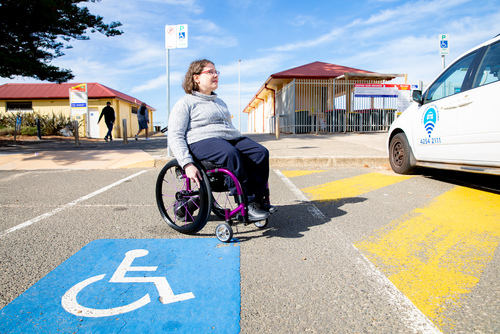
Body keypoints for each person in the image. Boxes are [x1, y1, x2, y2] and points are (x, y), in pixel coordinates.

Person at [168, 59, 277, 221]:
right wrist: (187, 164)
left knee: (260, 152)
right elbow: (175, 135)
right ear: (196, 77)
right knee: (229, 153)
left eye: (216, 72)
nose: (215, 75)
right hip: (200, 141)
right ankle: (245, 204)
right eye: (210, 72)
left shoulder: (219, 101)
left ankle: (258, 200)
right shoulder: (185, 103)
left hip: (227, 139)